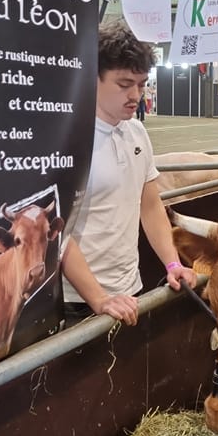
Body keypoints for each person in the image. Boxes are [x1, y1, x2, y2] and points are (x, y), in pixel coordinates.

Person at [61, 20, 196, 326]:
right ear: (92, 78)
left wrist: (172, 262)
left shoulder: (136, 132)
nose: (136, 94)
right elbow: (59, 233)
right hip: (76, 301)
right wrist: (98, 297)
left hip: (129, 290)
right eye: (124, 85)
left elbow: (149, 206)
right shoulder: (70, 141)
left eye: (142, 83)